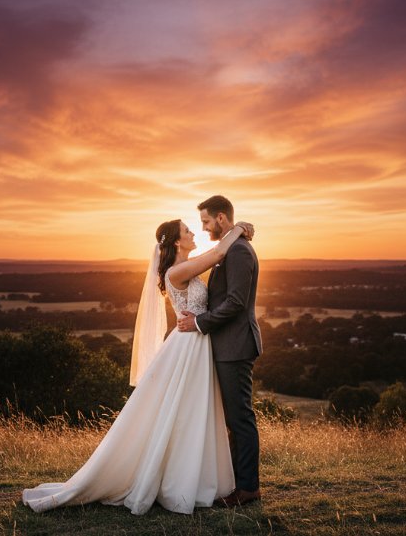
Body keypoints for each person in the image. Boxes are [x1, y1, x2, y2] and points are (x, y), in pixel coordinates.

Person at [22, 216, 255, 515]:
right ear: (175, 242)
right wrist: (239, 228)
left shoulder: (187, 264)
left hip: (197, 343)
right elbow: (219, 253)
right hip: (188, 346)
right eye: (187, 230)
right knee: (181, 412)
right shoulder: (177, 271)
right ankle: (176, 480)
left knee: (193, 412)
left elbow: (215, 258)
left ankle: (196, 477)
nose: (193, 232)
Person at [177, 195, 263, 507]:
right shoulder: (230, 247)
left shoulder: (238, 251)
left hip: (236, 345)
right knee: (232, 417)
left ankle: (248, 488)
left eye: (205, 221)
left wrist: (200, 322)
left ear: (221, 219)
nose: (203, 227)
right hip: (225, 345)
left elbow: (236, 302)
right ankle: (236, 483)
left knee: (240, 418)